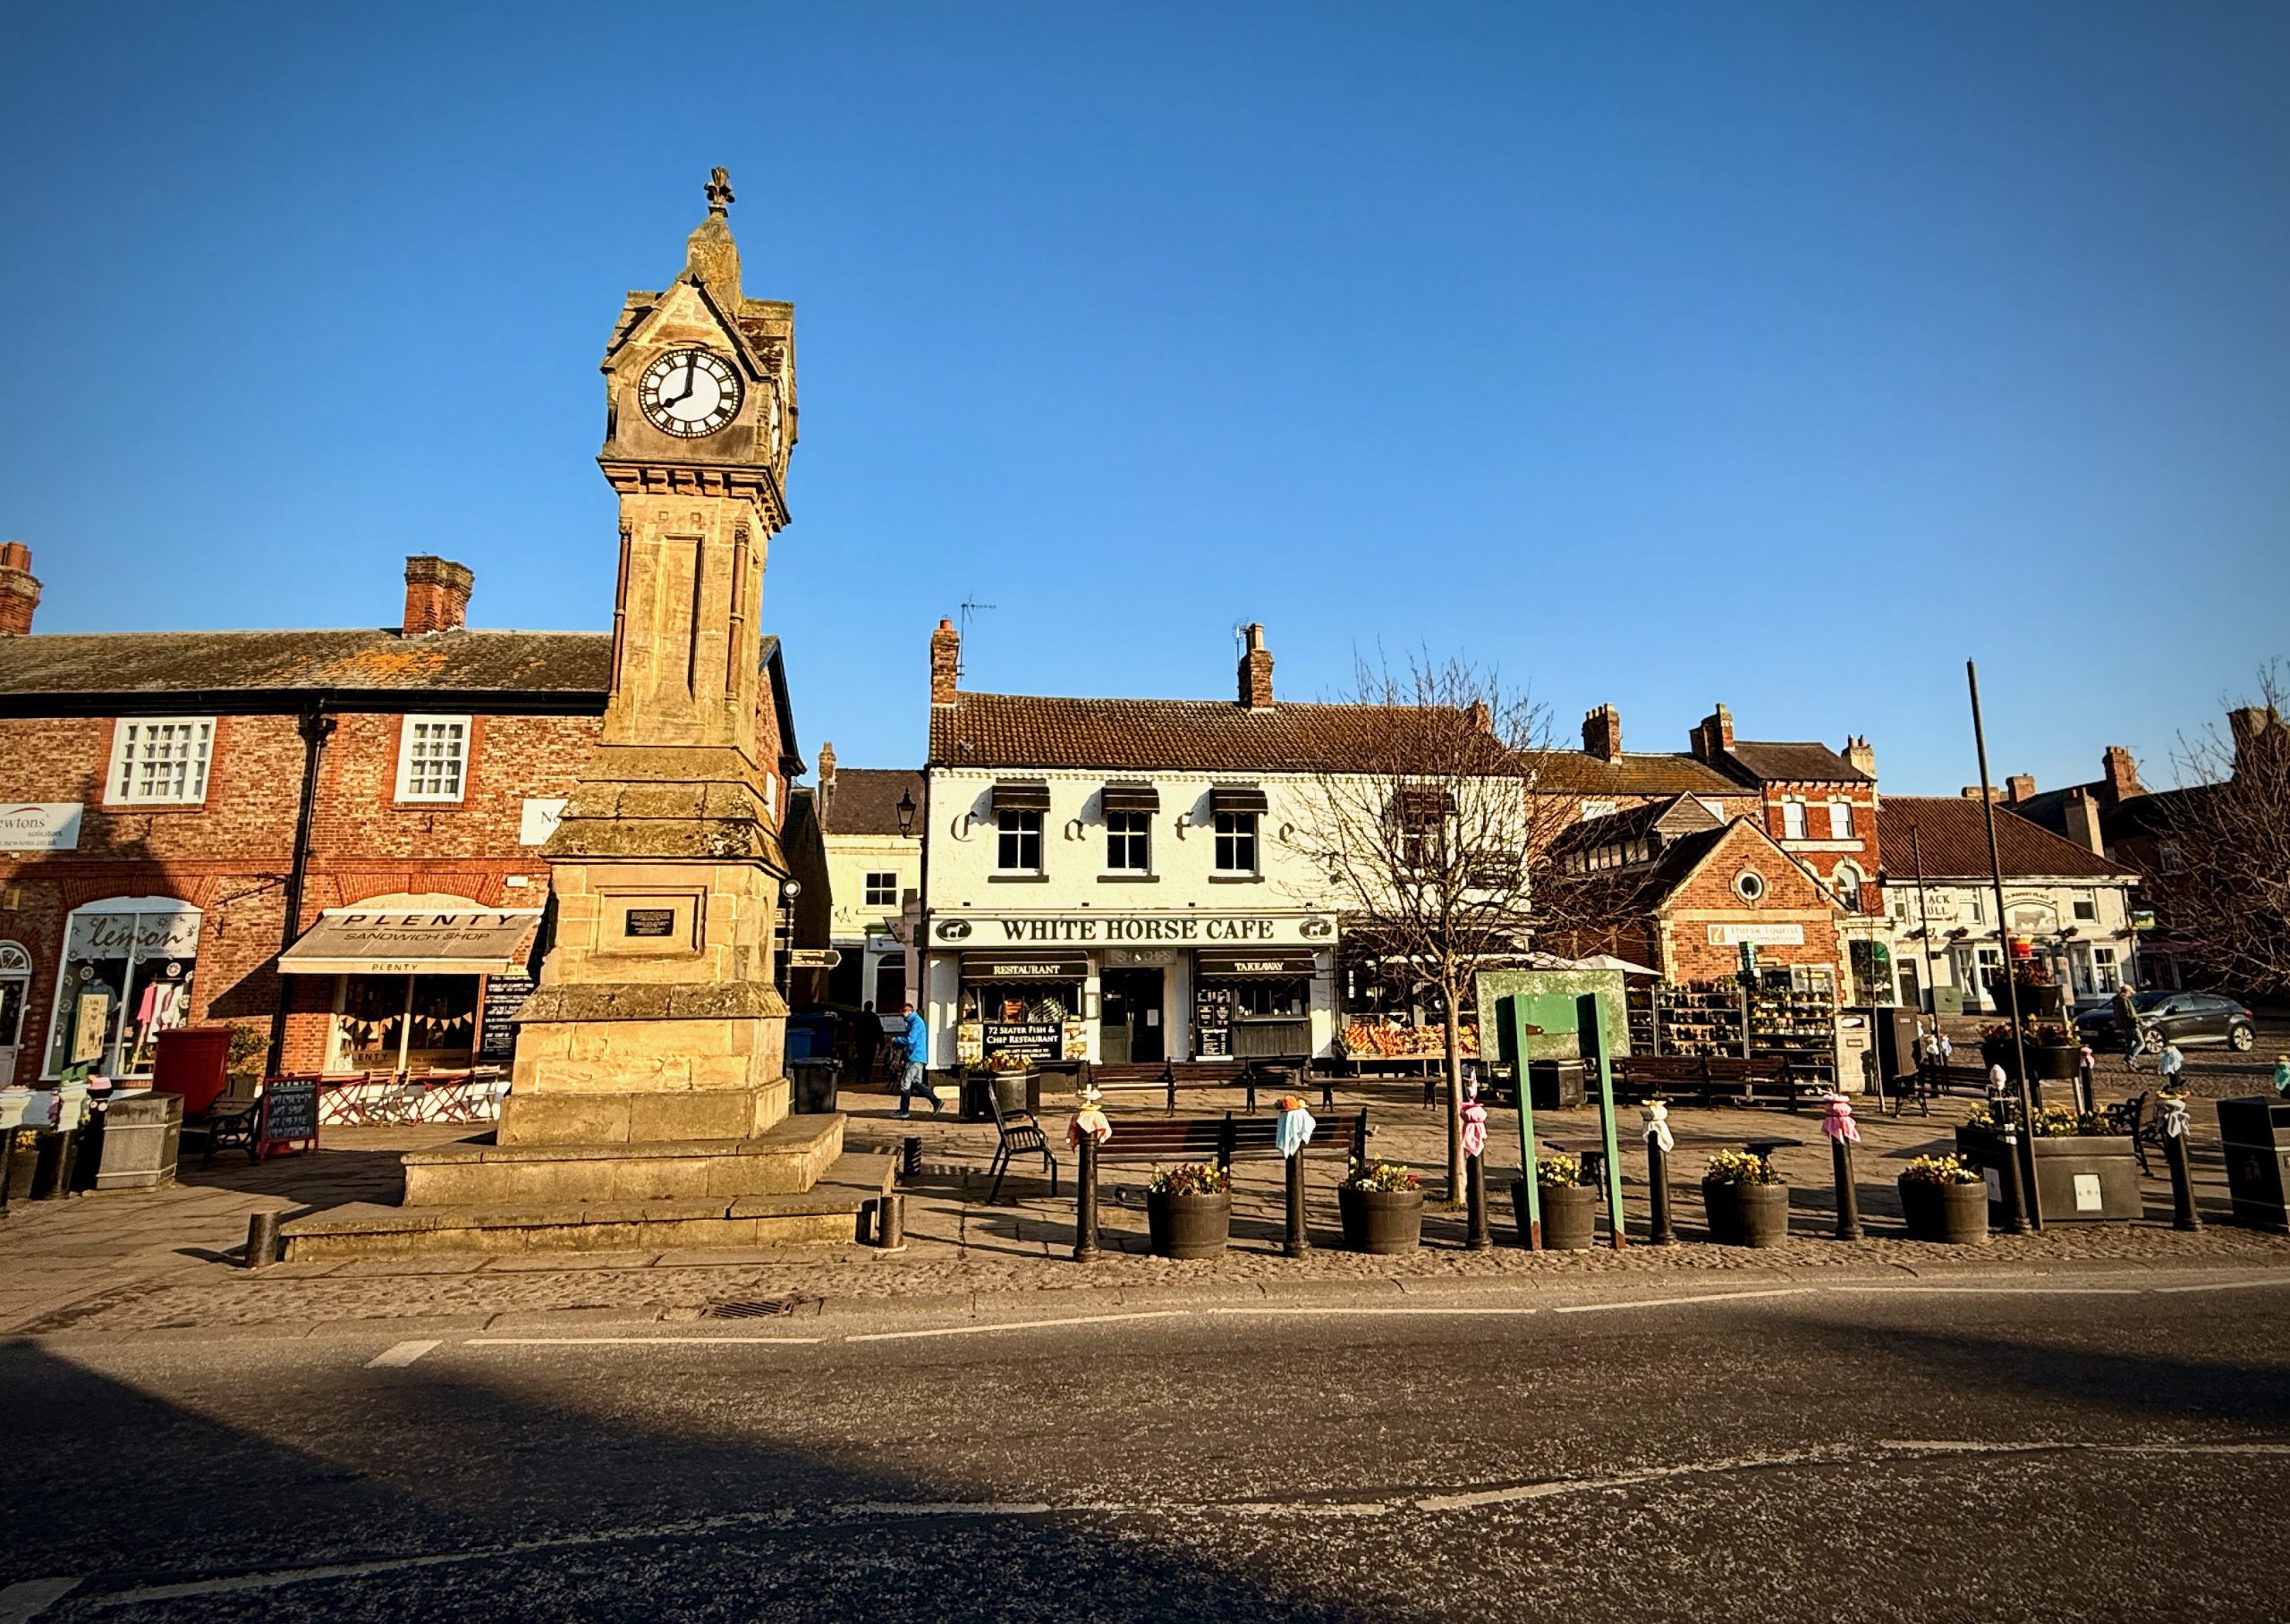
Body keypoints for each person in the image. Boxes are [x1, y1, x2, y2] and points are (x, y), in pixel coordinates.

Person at [896, 1001, 940, 1118]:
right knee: (916, 1083)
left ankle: (904, 1111)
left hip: (915, 1057)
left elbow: (911, 1040)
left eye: (902, 1013)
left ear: (908, 1011)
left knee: (905, 1083)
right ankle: (936, 1101)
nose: (902, 1015)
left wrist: (897, 1040)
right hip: (918, 1056)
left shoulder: (916, 1023)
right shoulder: (913, 1022)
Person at [852, 1000, 882, 1087]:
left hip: (861, 1042)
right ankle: (866, 1077)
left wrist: (854, 1040)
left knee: (860, 1059)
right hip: (870, 1042)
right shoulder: (874, 1017)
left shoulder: (859, 1016)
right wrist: (881, 1042)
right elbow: (879, 1030)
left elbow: (855, 1029)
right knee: (868, 1060)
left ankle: (859, 1077)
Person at [2111, 984, 2142, 1064]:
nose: (2130, 995)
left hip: (2122, 1026)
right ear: (2127, 991)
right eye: (2130, 993)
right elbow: (2129, 1014)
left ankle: (2128, 1059)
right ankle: (2130, 1058)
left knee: (2129, 1043)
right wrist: (2139, 1021)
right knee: (2140, 1043)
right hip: (2130, 1025)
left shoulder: (2116, 1001)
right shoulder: (2124, 1000)